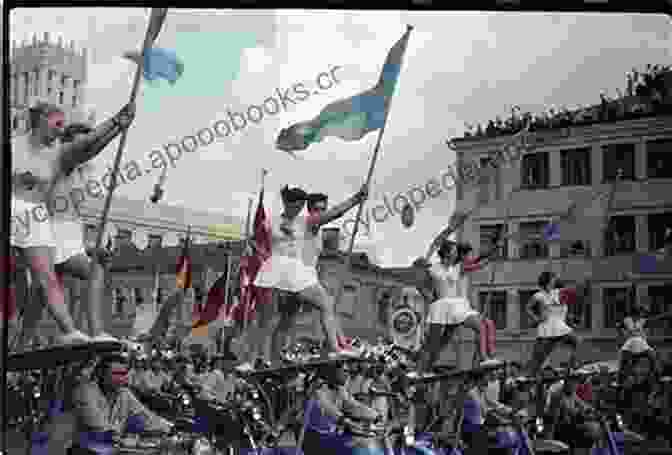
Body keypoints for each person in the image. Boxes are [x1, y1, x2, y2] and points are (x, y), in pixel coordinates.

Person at [11, 101, 135, 346]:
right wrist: (117, 123)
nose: (85, 148)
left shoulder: (77, 172)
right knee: (83, 275)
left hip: (69, 238)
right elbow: (89, 146)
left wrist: (117, 129)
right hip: (51, 233)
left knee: (40, 295)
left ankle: (22, 343)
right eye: (78, 142)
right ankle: (90, 331)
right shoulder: (62, 162)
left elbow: (93, 146)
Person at [253, 185, 368, 359]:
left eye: (323, 209)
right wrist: (355, 199)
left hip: (290, 278)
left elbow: (258, 241)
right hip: (299, 277)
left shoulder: (294, 223)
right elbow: (334, 214)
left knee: (286, 320)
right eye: (317, 209)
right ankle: (336, 347)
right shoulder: (307, 222)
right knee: (327, 305)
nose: (320, 212)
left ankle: (274, 358)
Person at [416, 239, 501, 374]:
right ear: (447, 253)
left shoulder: (457, 267)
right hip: (441, 307)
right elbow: (420, 284)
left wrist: (491, 255)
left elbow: (476, 263)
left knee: (481, 326)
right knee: (436, 342)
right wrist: (428, 296)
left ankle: (485, 358)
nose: (457, 253)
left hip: (458, 307)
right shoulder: (432, 269)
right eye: (455, 251)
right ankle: (423, 368)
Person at [66, 353, 173, 455]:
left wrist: (170, 427)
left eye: (123, 374)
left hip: (113, 447)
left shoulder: (124, 393)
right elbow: (99, 426)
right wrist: (127, 440)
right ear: (101, 374)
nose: (121, 378)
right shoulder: (85, 391)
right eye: (116, 374)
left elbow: (146, 415)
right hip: (85, 449)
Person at [301, 363, 381, 455]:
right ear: (333, 371)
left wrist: (376, 416)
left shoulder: (340, 389)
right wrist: (351, 423)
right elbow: (330, 410)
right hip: (313, 436)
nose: (347, 375)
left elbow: (354, 405)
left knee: (358, 446)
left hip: (330, 435)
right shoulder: (319, 390)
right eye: (344, 371)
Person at [525, 271, 588, 376]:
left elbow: (575, 293)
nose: (555, 279)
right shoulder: (538, 296)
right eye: (553, 278)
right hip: (547, 328)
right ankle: (531, 374)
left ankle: (572, 367)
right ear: (548, 281)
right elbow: (528, 308)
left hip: (560, 327)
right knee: (538, 358)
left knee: (578, 342)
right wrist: (536, 318)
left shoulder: (559, 292)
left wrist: (583, 283)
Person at [547, 372, 604, 455]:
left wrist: (593, 411)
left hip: (570, 425)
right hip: (560, 428)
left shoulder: (572, 394)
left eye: (576, 382)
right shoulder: (558, 393)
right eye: (573, 382)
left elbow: (582, 404)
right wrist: (580, 412)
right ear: (567, 382)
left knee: (594, 429)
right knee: (589, 430)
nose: (575, 385)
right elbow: (567, 410)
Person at [619, 303, 659, 384]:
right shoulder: (627, 320)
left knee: (652, 354)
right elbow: (622, 330)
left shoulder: (643, 321)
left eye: (640, 314)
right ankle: (620, 376)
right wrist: (626, 333)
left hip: (641, 341)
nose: (639, 316)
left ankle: (655, 373)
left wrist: (641, 334)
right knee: (623, 354)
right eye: (639, 313)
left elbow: (646, 333)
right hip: (630, 341)